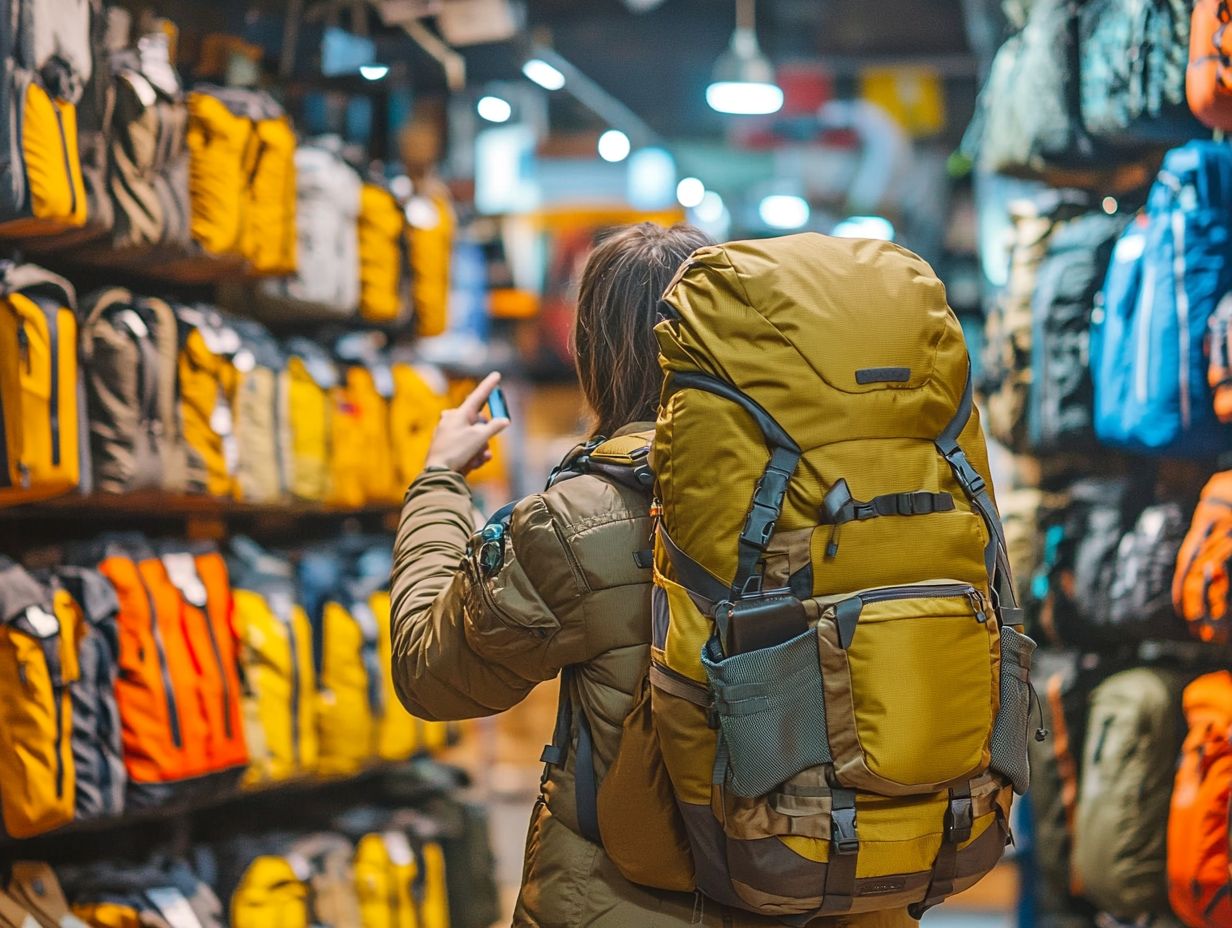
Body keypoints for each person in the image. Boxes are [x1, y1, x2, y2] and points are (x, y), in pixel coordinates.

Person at [389, 222, 913, 927]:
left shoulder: (575, 520)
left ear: (589, 351)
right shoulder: (842, 493)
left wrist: (438, 481)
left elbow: (431, 673)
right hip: (837, 888)